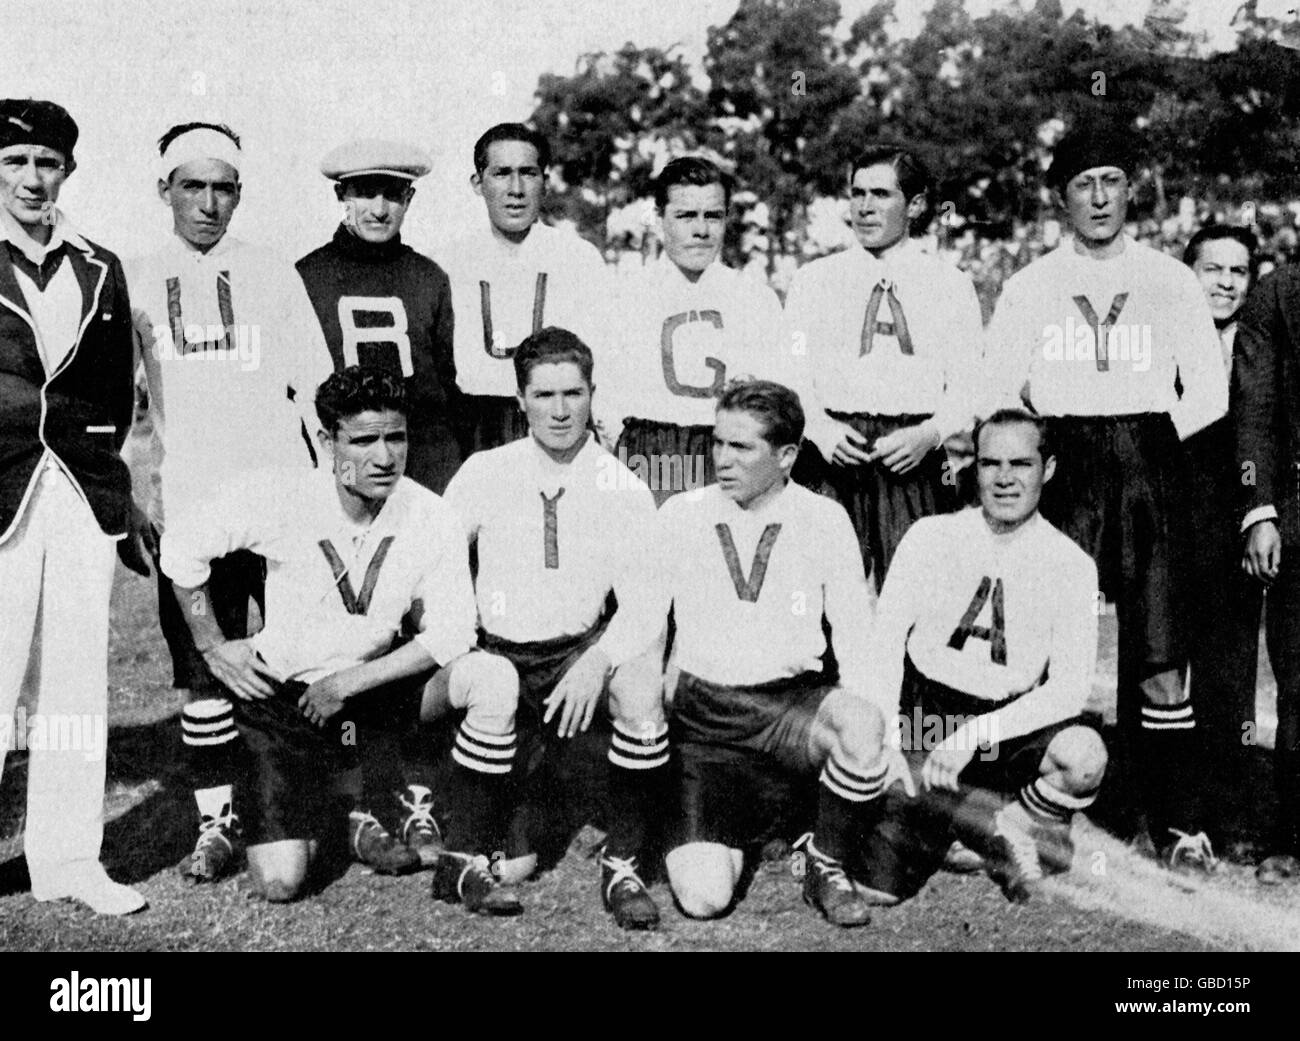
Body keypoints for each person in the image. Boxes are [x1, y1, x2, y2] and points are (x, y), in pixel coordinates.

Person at [160, 366, 523, 913]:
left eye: (396, 437)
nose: (384, 457)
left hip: (372, 697)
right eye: (364, 440)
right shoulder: (283, 495)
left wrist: (351, 680)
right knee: (280, 882)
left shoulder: (431, 514)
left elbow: (453, 630)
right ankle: (342, 809)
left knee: (492, 676)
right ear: (329, 442)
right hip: (290, 701)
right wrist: (214, 645)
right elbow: (182, 547)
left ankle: (462, 860)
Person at [983, 122, 1227, 870]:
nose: (1099, 196)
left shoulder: (1169, 277)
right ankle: (1019, 806)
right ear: (1061, 198)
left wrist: (1150, 441)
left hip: (1151, 464)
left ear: (1131, 191)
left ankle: (1179, 824)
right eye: (1083, 183)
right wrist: (1049, 453)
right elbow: (998, 386)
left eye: (1112, 181)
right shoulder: (1031, 284)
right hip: (1066, 465)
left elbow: (1209, 389)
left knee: (1159, 651)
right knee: (1038, 639)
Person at [125, 121, 336, 882]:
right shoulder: (137, 276)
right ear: (164, 191)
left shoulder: (273, 272)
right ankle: (217, 819)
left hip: (279, 498)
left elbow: (317, 386)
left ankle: (305, 807)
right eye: (193, 187)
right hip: (191, 503)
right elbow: (124, 400)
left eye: (224, 188)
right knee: (204, 670)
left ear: (240, 193)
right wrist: (133, 486)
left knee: (292, 655)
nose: (209, 204)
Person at [442, 327, 668, 930]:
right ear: (519, 399)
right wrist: (459, 635)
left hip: (575, 658)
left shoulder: (623, 485)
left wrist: (597, 662)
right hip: (497, 659)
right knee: (515, 866)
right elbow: (434, 564)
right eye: (544, 396)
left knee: (642, 690)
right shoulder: (484, 471)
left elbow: (648, 599)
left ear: (594, 393)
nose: (560, 410)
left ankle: (623, 863)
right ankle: (465, 851)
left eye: (574, 393)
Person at [654, 379, 896, 927]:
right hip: (709, 720)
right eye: (717, 442)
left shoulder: (825, 518)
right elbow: (646, 626)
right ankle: (755, 821)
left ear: (787, 455)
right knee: (703, 899)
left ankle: (824, 859)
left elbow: (857, 638)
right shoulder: (680, 513)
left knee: (859, 724)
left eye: (742, 447)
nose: (722, 459)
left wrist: (881, 733)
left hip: (791, 711)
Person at [857, 409, 1107, 905]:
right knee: (876, 890)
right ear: (975, 467)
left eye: (1021, 463)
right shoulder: (930, 536)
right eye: (991, 463)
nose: (1005, 478)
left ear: (1048, 468)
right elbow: (884, 642)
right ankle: (974, 827)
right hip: (926, 718)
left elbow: (1069, 688)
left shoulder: (1072, 565)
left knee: (1082, 757)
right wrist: (886, 739)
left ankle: (1014, 820)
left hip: (1004, 727)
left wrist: (974, 736)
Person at [0, 98, 145, 914]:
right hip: (2, 488)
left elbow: (111, 389)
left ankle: (67, 859)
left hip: (81, 490)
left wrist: (106, 473)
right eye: (15, 163)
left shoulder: (100, 263)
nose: (31, 179)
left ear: (69, 171)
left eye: (46, 163)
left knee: (74, 685)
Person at [781, 144, 983, 589]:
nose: (865, 207)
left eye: (881, 194)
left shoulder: (949, 285)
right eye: (857, 194)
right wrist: (820, 429)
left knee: (921, 602)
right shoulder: (814, 281)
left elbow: (970, 386)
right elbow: (790, 374)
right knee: (821, 603)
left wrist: (929, 434)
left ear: (915, 204)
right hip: (833, 453)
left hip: (914, 454)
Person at [597, 156, 783, 505]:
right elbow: (605, 394)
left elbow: (774, 392)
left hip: (725, 452)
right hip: (650, 453)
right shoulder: (626, 294)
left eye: (712, 216)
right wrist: (630, 443)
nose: (701, 230)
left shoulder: (755, 298)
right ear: (659, 219)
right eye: (685, 216)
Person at [297, 139, 462, 495]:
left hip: (420, 469)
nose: (380, 209)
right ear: (342, 195)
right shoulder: (306, 277)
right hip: (335, 468)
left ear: (409, 199)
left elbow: (443, 391)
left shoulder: (429, 278)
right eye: (366, 194)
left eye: (392, 194)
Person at [439, 123, 609, 455]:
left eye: (528, 173)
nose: (516, 188)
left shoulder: (579, 259)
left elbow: (602, 361)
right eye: (502, 173)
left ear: (544, 182)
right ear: (478, 183)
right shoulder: (448, 264)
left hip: (556, 423)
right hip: (473, 430)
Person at [1181, 225, 1263, 862]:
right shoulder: (1162, 341)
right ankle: (1160, 807)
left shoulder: (1259, 348)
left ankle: (1227, 813)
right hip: (1166, 521)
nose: (1226, 282)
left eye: (1239, 271)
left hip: (1232, 528)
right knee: (1154, 666)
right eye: (1213, 269)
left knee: (1228, 675)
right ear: (1190, 273)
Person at [1233, 238, 1300, 885]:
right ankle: (1290, 832)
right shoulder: (1279, 291)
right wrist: (1261, 508)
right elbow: (1253, 408)